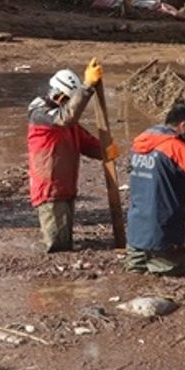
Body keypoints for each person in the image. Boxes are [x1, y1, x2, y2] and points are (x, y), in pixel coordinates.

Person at [26, 59, 117, 252]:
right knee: (57, 246)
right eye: (67, 100)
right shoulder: (41, 114)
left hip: (65, 186)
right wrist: (86, 88)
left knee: (64, 240)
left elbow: (83, 140)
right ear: (57, 95)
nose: (68, 105)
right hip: (49, 188)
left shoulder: (65, 120)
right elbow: (66, 117)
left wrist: (104, 150)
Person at [125, 103, 185, 275]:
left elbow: (160, 174)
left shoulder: (140, 142)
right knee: (171, 275)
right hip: (162, 234)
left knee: (136, 276)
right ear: (183, 125)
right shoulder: (173, 146)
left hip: (135, 234)